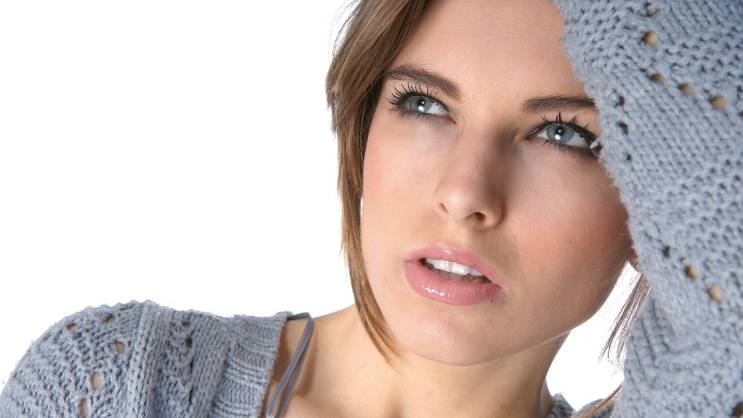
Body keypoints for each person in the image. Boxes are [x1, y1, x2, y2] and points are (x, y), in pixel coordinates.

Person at [1, 0, 741, 417]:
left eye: (563, 134)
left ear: (654, 197)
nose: (464, 192)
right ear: (362, 132)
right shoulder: (115, 385)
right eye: (424, 104)